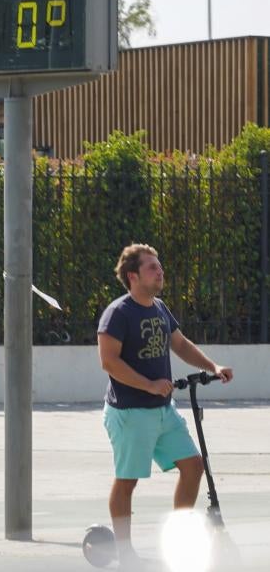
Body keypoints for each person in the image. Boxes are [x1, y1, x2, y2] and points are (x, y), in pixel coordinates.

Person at [97, 243, 233, 570]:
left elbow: (180, 344)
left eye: (159, 266)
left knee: (193, 466)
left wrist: (212, 367)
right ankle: (124, 551)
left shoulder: (159, 308)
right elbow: (109, 362)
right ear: (133, 276)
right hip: (130, 412)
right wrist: (148, 385)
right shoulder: (118, 313)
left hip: (163, 410)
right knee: (128, 480)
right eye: (152, 268)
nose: (160, 272)